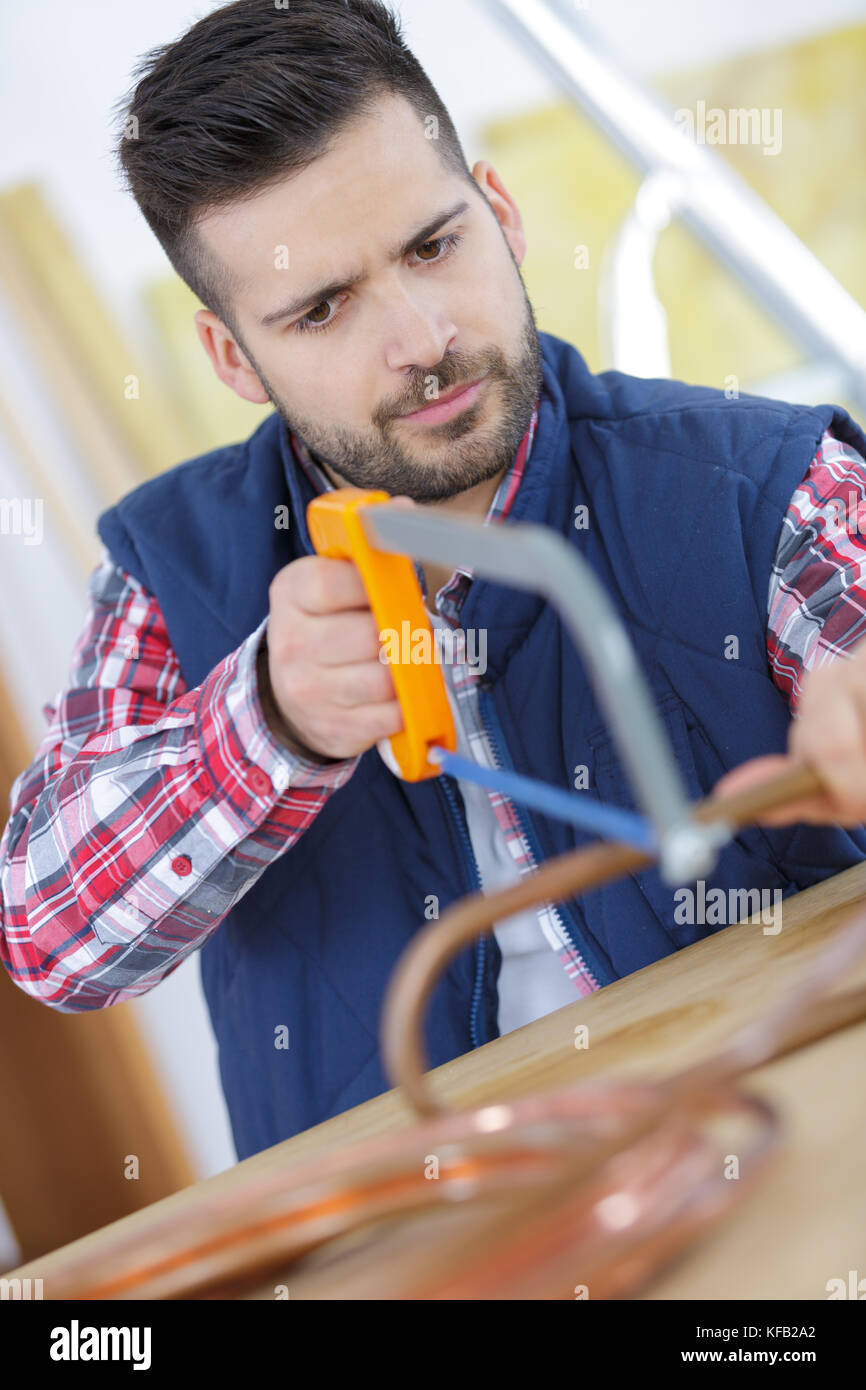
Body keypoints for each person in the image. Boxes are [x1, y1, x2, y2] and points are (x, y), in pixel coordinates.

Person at [2, 0, 866, 1162]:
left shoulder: (759, 480)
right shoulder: (171, 566)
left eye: (430, 245)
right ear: (232, 358)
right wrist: (267, 722)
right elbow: (53, 939)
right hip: (415, 1248)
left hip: (773, 1162)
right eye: (321, 308)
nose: (418, 338)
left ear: (499, 214)